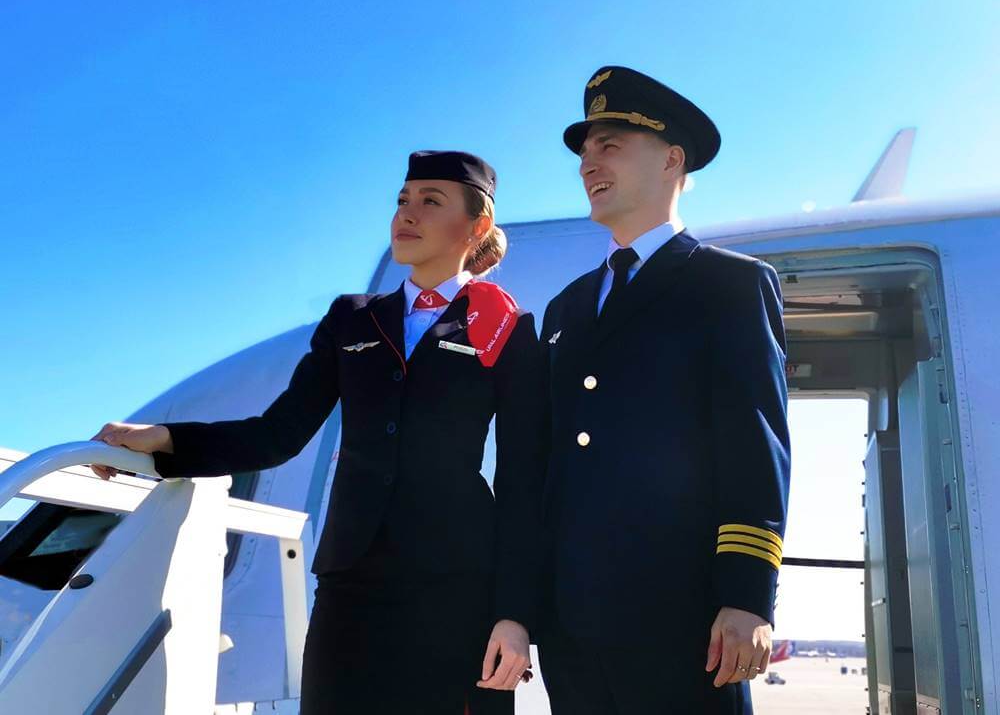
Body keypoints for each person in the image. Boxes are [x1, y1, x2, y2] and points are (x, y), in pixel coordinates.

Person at [89, 150, 547, 715]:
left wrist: (515, 612)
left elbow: (527, 477)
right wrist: (164, 441)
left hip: (457, 585)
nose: (408, 214)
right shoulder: (352, 318)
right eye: (403, 200)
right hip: (351, 582)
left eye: (431, 202)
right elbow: (278, 433)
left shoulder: (505, 324)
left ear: (476, 227)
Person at [536, 65, 791, 714]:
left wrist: (746, 595)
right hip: (575, 622)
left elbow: (754, 443)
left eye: (610, 145)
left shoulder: (727, 284)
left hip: (684, 617)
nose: (589, 163)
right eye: (585, 151)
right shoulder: (567, 308)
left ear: (672, 158)